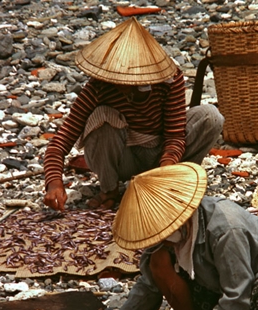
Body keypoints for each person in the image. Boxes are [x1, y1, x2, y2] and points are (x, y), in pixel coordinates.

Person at [83, 162, 258, 310]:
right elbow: (150, 283)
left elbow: (238, 295)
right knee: (157, 259)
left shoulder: (226, 230)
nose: (156, 238)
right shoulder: (171, 233)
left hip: (250, 294)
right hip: (219, 287)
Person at [43, 17, 224, 211]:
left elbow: (175, 136)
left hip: (158, 155)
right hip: (123, 159)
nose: (124, 86)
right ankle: (110, 190)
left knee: (210, 116)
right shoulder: (99, 87)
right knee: (102, 115)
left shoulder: (169, 80)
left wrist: (164, 171)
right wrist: (54, 184)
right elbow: (60, 143)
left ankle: (173, 182)